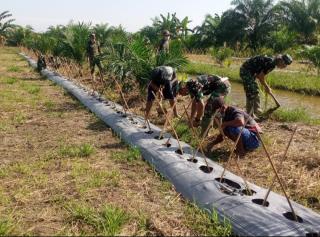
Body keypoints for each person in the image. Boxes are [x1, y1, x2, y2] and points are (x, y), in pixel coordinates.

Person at [240, 54, 293, 118]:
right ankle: (250, 115)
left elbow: (259, 74)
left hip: (251, 72)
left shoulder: (272, 62)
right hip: (246, 71)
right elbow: (260, 77)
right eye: (285, 64)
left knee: (255, 90)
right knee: (251, 92)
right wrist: (267, 87)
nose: (285, 66)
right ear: (281, 61)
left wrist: (265, 86)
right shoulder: (271, 64)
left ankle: (257, 110)